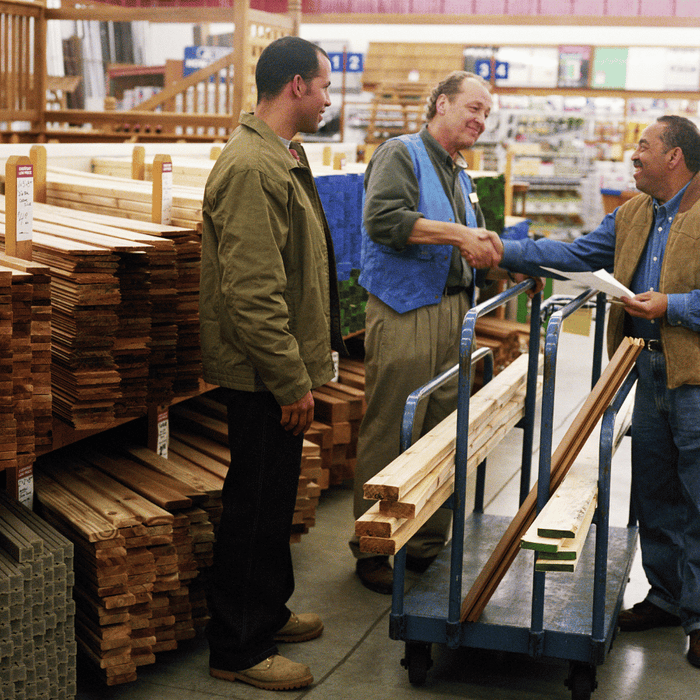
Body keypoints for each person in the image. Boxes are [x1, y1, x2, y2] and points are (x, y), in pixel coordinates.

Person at [495, 115, 700, 669]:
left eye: (644, 148)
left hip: (694, 379)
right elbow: (576, 255)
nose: (634, 156)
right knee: (655, 488)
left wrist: (671, 306)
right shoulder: (633, 214)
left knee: (698, 495)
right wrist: (503, 250)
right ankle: (665, 597)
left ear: (675, 157)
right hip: (645, 366)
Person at [199, 36, 345, 690]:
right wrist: (291, 379)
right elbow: (253, 292)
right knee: (255, 505)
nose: (327, 98)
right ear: (294, 87)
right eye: (323, 86)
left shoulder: (283, 155)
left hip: (279, 370)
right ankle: (239, 647)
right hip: (262, 375)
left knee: (273, 499)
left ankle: (268, 611)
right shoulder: (251, 166)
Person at [349, 71, 503, 594]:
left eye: (487, 113)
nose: (481, 120)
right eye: (473, 108)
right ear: (441, 104)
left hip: (454, 309)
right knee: (395, 424)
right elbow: (385, 220)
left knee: (442, 427)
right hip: (406, 308)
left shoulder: (460, 173)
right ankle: (372, 547)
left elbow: (468, 243)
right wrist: (461, 235)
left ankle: (423, 544)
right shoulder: (401, 153)